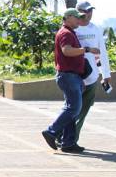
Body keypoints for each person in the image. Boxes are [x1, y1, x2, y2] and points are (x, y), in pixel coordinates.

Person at [41, 8, 99, 153]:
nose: (80, 20)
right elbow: (67, 50)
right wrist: (86, 49)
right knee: (73, 108)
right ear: (68, 18)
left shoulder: (70, 32)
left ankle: (68, 143)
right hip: (69, 76)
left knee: (72, 109)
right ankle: (51, 131)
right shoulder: (66, 33)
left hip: (73, 76)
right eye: (77, 17)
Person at [74, 1, 112, 143]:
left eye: (91, 11)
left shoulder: (95, 29)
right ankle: (62, 136)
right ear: (79, 12)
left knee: (83, 111)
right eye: (86, 11)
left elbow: (102, 53)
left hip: (92, 77)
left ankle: (72, 139)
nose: (89, 14)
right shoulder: (73, 29)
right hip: (75, 77)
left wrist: (106, 74)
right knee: (72, 109)